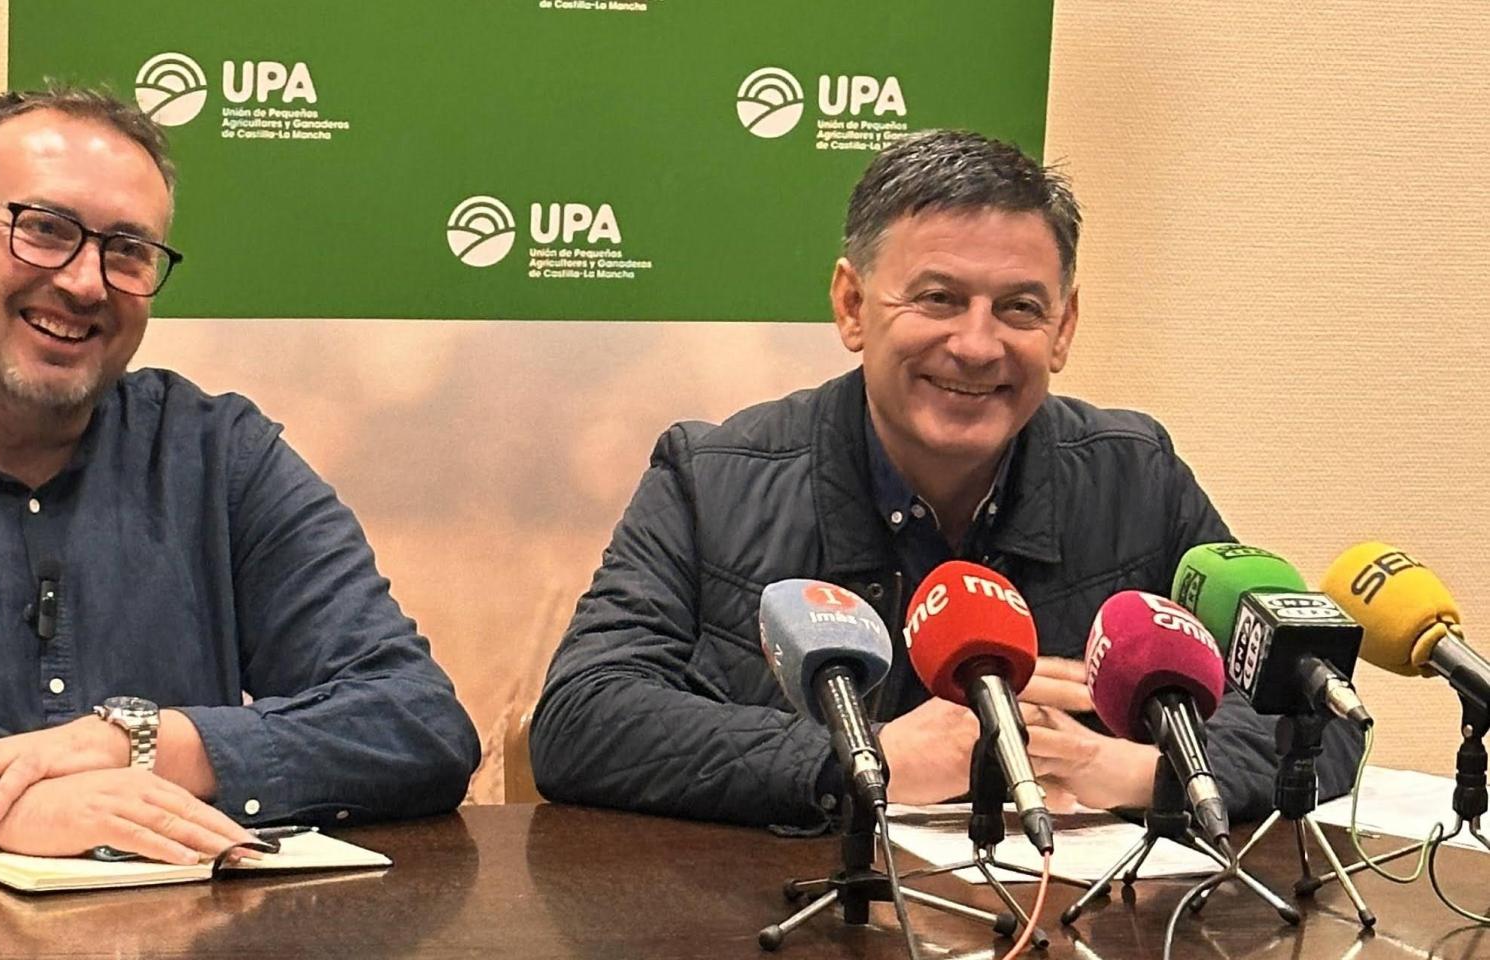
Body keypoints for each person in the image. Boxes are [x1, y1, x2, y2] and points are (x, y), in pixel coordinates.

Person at [530, 129, 1359, 828]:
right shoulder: (710, 481)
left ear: (1064, 328)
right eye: (937, 298)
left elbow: (1318, 712)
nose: (976, 345)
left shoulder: (1135, 477)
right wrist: (867, 757)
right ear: (853, 307)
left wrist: (1145, 773)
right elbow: (581, 719)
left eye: (1020, 309)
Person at [0, 87, 479, 861]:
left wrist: (139, 743)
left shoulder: (221, 459)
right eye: (43, 230)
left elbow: (416, 721)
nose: (86, 282)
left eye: (127, 251)